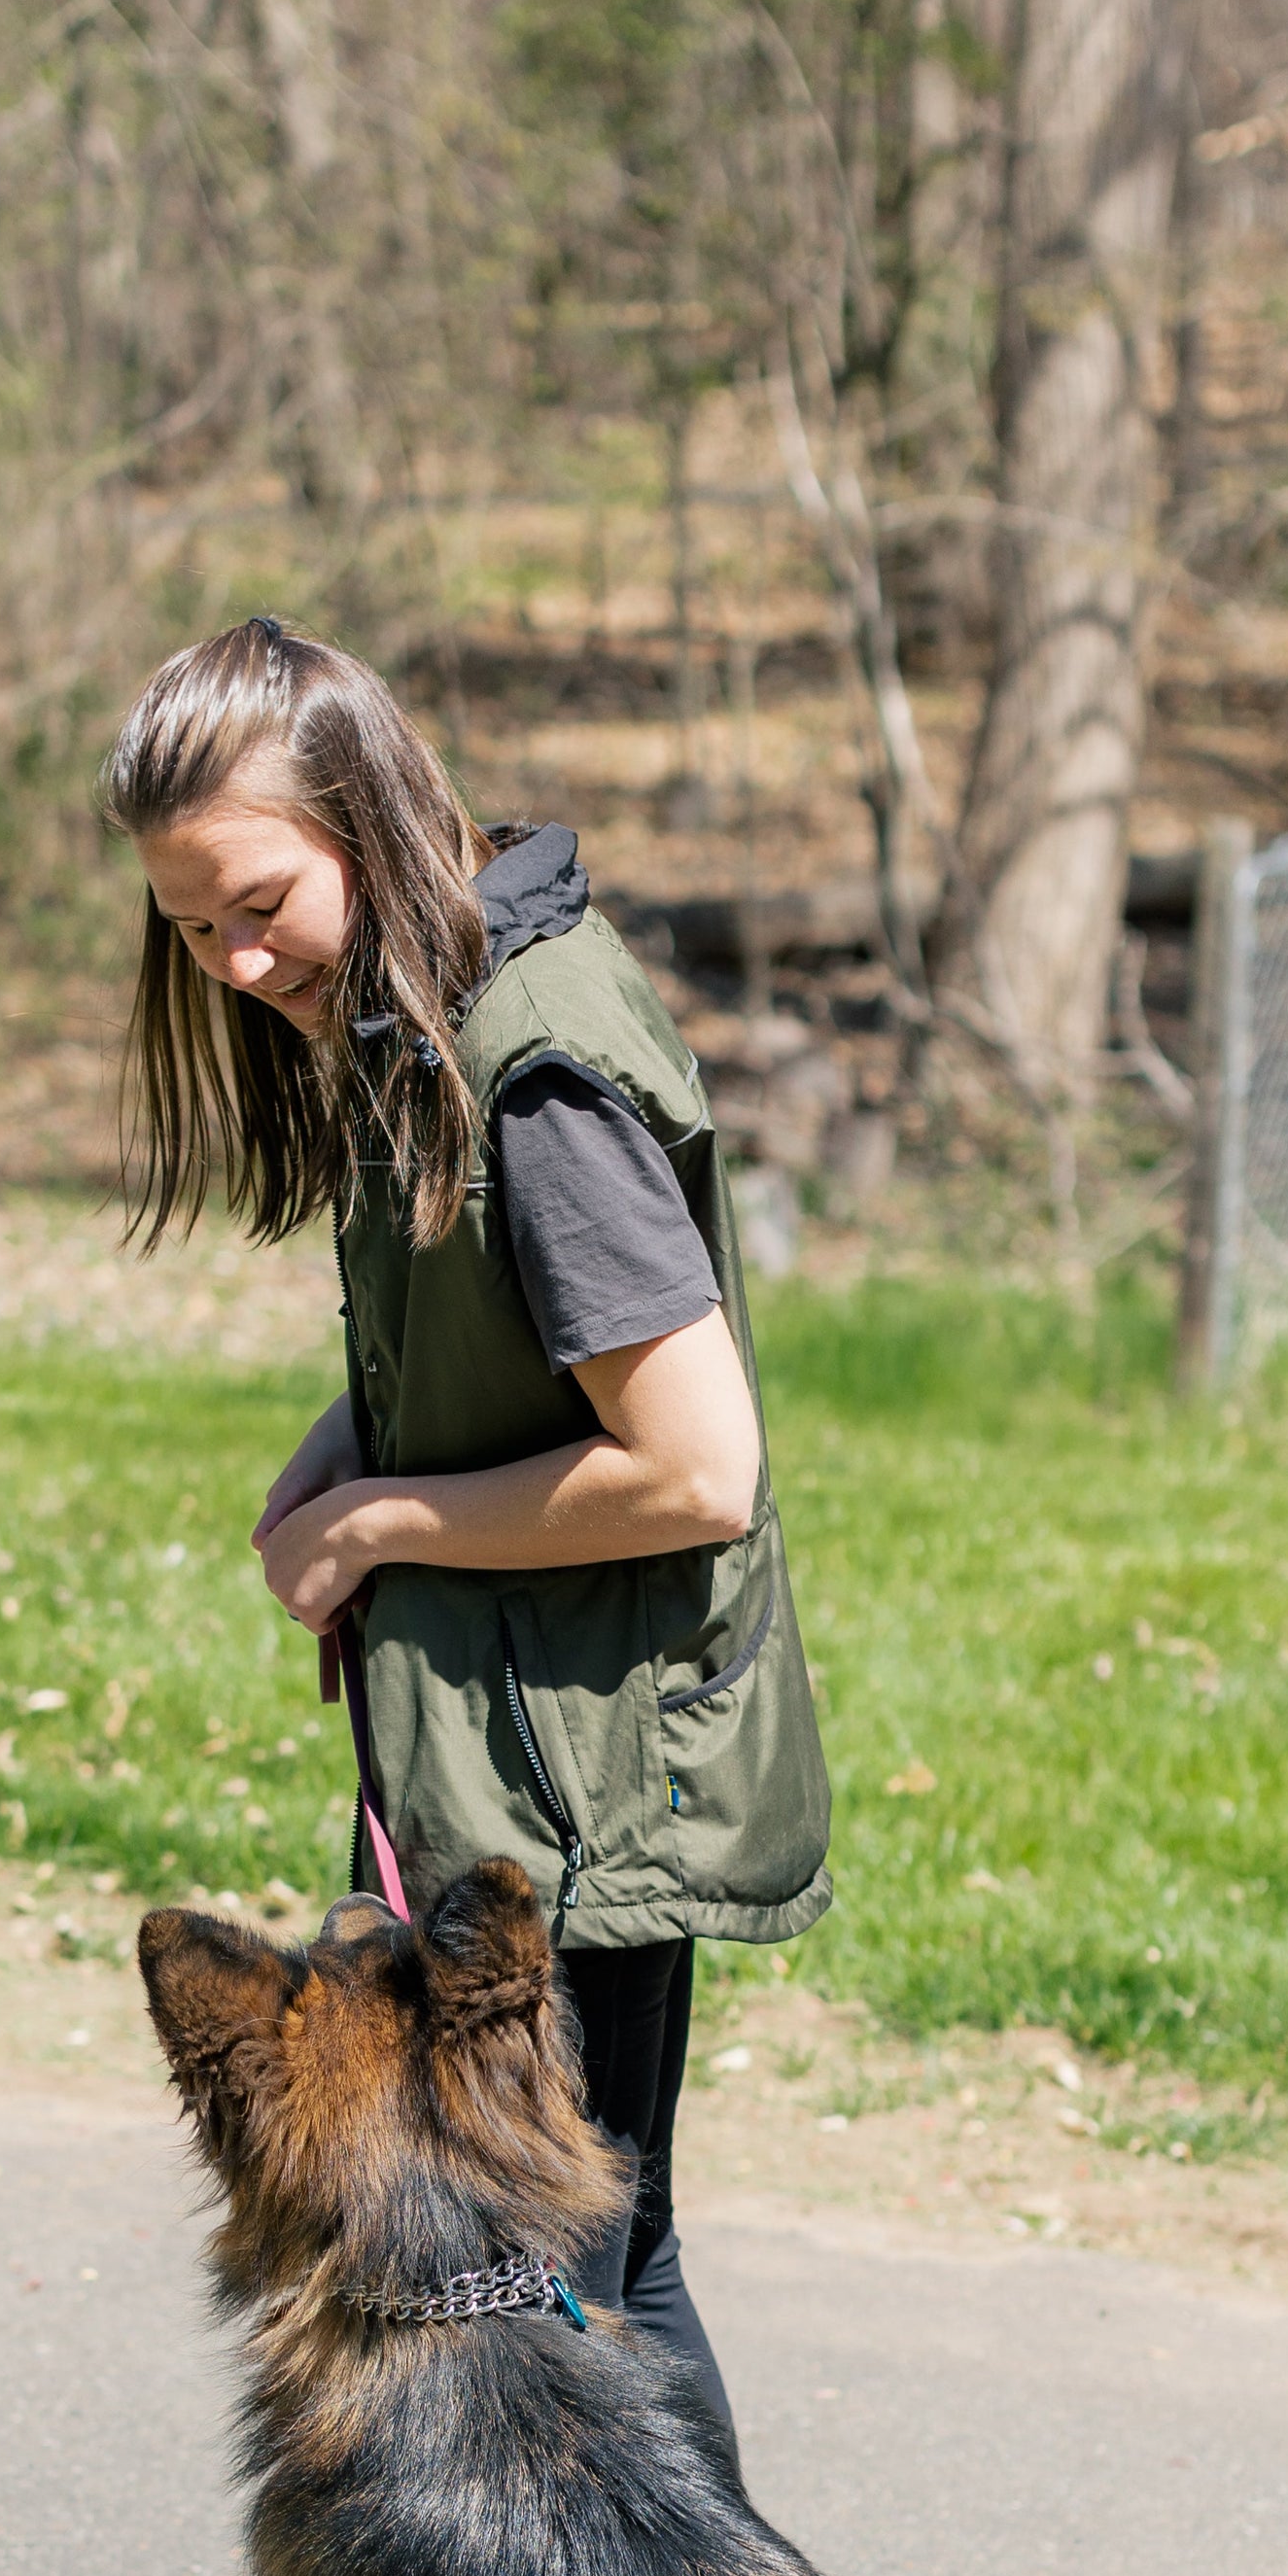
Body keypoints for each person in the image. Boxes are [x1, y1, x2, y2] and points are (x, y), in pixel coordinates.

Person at [102, 609, 831, 2463]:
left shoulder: (533, 1069)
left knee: (583, 2267)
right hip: (513, 1745)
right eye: (190, 928)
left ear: (369, 813)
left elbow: (694, 1466)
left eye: (259, 901)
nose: (233, 960)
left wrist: (385, 1517)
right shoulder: (414, 1008)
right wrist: (341, 1452)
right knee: (565, 2251)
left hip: (588, 1775)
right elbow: (488, 1334)